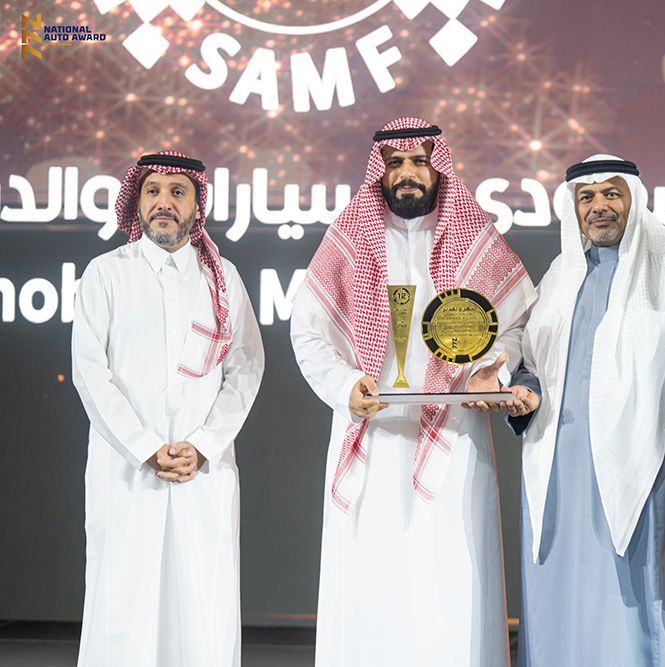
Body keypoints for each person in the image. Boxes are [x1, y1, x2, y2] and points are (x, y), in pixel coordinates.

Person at [290, 117, 535, 666]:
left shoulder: (477, 239)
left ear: (438, 167)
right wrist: (343, 386)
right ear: (379, 171)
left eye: (419, 161)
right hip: (371, 437)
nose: (407, 173)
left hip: (455, 437)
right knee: (369, 579)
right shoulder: (348, 241)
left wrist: (492, 369)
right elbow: (307, 331)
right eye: (396, 162)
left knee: (449, 579)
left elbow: (519, 322)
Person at [505, 155, 665, 666]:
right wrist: (521, 389)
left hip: (657, 476)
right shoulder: (561, 276)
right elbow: (533, 364)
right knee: (564, 597)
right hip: (561, 475)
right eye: (587, 197)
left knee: (650, 606)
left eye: (612, 194)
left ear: (634, 199)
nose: (599, 207)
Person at [71, 151, 265, 666]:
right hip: (126, 471)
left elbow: (246, 368)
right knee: (124, 606)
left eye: (178, 192)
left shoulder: (223, 277)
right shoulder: (105, 274)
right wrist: (146, 448)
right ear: (137, 201)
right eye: (153, 191)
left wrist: (201, 446)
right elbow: (92, 374)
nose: (164, 203)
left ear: (196, 205)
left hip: (203, 470)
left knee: (203, 603)